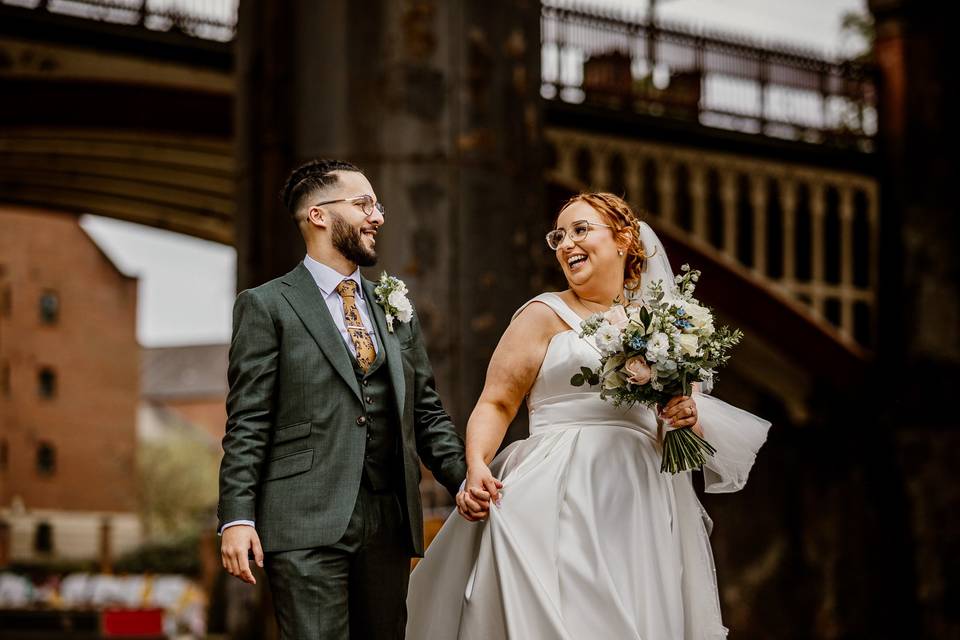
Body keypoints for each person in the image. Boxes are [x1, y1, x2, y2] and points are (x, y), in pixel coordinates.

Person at [406, 192, 771, 639]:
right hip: (556, 487)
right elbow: (497, 402)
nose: (565, 243)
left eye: (581, 230)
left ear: (622, 239)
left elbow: (678, 410)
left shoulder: (666, 325)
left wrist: (684, 413)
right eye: (559, 235)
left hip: (640, 495)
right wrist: (478, 464)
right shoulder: (543, 314)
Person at [217, 159, 467, 639]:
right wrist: (237, 517)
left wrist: (464, 483)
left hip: (388, 519)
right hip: (303, 518)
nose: (378, 216)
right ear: (319, 215)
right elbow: (247, 420)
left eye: (377, 205)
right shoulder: (268, 304)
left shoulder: (393, 304)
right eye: (364, 204)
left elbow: (426, 411)